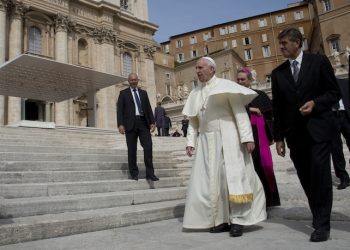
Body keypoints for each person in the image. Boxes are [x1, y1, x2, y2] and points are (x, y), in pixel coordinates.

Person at [182, 56, 266, 237]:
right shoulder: (195, 93)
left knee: (231, 180)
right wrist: (190, 142)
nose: (198, 71)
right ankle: (220, 219)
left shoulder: (225, 86)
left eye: (201, 67)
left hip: (228, 137)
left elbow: (240, 113)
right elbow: (193, 121)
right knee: (213, 182)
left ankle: (238, 220)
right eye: (196, 68)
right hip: (205, 141)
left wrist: (247, 138)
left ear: (212, 69)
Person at [271, 27, 340, 242]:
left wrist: (316, 103)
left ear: (297, 43)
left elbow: (334, 93)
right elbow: (278, 109)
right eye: (279, 43)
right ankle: (318, 214)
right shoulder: (277, 73)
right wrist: (279, 138)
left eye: (284, 43)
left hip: (319, 130)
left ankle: (322, 224)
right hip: (295, 136)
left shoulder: (318, 62)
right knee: (307, 178)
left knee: (320, 176)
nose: (280, 47)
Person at [237, 67, 281, 207]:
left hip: (259, 132)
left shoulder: (260, 94)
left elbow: (270, 116)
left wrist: (272, 135)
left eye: (243, 79)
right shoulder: (234, 95)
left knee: (264, 164)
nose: (240, 81)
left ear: (250, 80)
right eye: (238, 79)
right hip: (242, 133)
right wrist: (250, 109)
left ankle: (269, 199)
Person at [117, 73, 159, 181]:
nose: (134, 81)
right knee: (132, 149)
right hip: (130, 124)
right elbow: (120, 110)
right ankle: (134, 173)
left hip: (143, 123)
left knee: (148, 147)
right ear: (128, 81)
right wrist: (120, 124)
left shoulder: (143, 93)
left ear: (138, 80)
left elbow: (148, 108)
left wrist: (152, 122)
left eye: (135, 79)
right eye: (131, 80)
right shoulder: (123, 93)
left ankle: (150, 174)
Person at [331, 78, 350, 190]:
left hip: (346, 115)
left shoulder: (344, 82)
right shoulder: (318, 86)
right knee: (336, 149)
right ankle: (343, 177)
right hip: (331, 117)